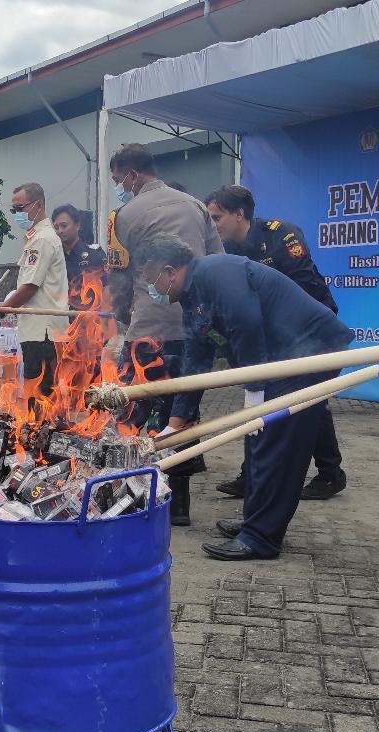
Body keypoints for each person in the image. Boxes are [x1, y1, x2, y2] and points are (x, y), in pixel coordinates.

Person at [136, 234, 353, 560]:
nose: (152, 288)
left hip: (309, 351)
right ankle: (255, 521)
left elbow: (246, 324)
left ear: (169, 270)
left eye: (151, 279)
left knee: (275, 442)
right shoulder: (192, 298)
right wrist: (176, 423)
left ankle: (261, 538)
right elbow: (196, 364)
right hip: (279, 360)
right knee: (257, 443)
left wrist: (254, 390)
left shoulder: (215, 271)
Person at [206, 185, 348, 501]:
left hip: (311, 328)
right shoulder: (226, 251)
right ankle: (253, 474)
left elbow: (306, 289)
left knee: (309, 399)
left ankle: (330, 474)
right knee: (267, 398)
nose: (213, 225)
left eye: (217, 217)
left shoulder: (282, 235)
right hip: (271, 333)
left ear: (238, 213)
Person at [109, 144, 224, 526]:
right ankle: (178, 505)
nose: (119, 187)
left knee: (129, 410)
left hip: (149, 328)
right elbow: (214, 263)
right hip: (192, 327)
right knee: (182, 412)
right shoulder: (195, 206)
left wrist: (123, 317)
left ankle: (121, 492)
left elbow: (121, 276)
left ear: (131, 175)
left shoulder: (124, 215)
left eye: (117, 180)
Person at [0, 183, 68, 405]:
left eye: (21, 208)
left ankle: (42, 436)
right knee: (39, 393)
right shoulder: (36, 237)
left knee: (40, 395)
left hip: (43, 331)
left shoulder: (43, 238)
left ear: (38, 205)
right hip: (38, 330)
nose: (17, 214)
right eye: (14, 210)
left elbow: (30, 287)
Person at [51, 204, 106, 299]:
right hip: (59, 311)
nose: (60, 231)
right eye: (56, 227)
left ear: (77, 225)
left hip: (88, 310)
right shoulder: (53, 256)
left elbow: (106, 288)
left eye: (64, 226)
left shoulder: (94, 254)